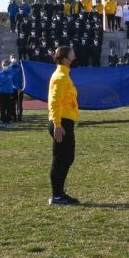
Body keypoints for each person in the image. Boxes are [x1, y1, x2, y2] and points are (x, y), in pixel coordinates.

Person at [47, 45, 80, 206]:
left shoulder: (65, 75)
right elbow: (54, 102)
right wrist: (57, 125)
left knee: (67, 158)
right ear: (65, 58)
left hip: (65, 121)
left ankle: (60, 193)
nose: (74, 54)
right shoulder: (60, 76)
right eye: (71, 52)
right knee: (60, 159)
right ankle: (56, 195)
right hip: (61, 122)